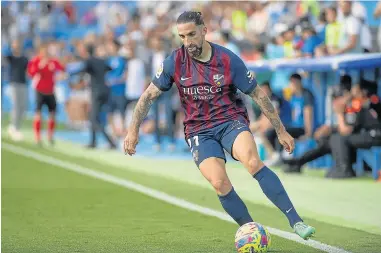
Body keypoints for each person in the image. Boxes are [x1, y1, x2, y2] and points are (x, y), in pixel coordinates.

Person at [124, 11, 315, 239]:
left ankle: (296, 221)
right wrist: (133, 130)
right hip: (198, 130)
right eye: (182, 37)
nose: (187, 42)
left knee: (252, 161)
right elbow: (147, 97)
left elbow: (258, 95)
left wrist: (281, 130)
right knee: (219, 182)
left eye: (192, 35)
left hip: (230, 121)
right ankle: (251, 230)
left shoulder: (227, 59)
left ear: (204, 30)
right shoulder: (174, 61)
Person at [72, 44, 117, 149]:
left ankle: (110, 142)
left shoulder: (89, 61)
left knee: (94, 119)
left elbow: (82, 71)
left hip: (96, 92)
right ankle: (93, 142)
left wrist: (70, 75)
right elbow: (110, 68)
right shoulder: (101, 61)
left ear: (86, 52)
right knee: (94, 116)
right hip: (105, 90)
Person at [264, 73, 314, 165]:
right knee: (270, 133)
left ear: (298, 82)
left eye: (292, 83)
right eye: (290, 83)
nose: (291, 85)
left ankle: (279, 157)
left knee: (282, 133)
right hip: (291, 126)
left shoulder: (306, 95)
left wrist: (308, 133)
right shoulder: (290, 95)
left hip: (302, 128)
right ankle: (276, 156)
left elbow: (308, 114)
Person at [27, 43, 65, 146]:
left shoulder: (53, 61)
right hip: (39, 90)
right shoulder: (36, 61)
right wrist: (40, 66)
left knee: (52, 114)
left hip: (51, 91)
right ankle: (37, 137)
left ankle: (50, 136)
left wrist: (61, 75)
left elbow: (63, 70)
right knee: (38, 114)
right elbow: (31, 73)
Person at [5, 40, 29, 141]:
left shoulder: (24, 58)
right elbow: (5, 52)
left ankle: (16, 126)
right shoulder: (11, 58)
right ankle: (14, 127)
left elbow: (27, 69)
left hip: (23, 83)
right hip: (14, 83)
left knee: (23, 106)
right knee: (16, 105)